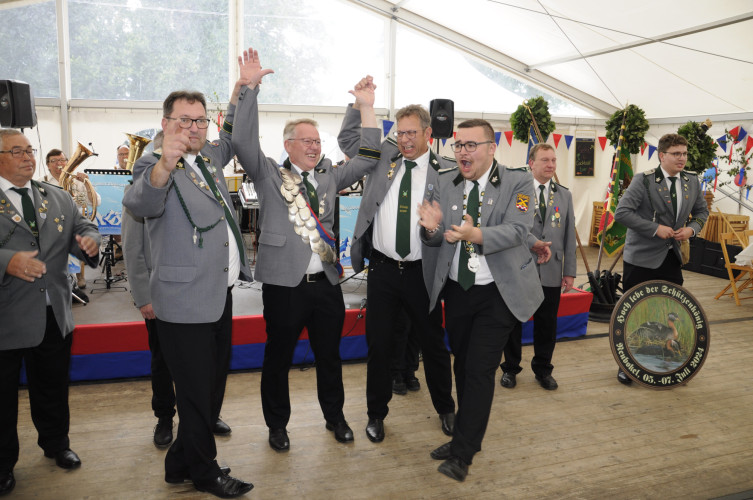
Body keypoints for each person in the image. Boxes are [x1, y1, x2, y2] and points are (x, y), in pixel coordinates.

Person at [231, 48, 381, 452]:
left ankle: (336, 418)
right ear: (288, 144)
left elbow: (368, 157)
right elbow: (242, 141)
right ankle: (277, 426)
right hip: (284, 284)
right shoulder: (267, 174)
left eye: (318, 141)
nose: (314, 147)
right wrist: (249, 88)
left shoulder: (330, 175)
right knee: (277, 357)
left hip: (327, 284)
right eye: (307, 141)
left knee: (329, 356)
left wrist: (366, 108)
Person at [122, 62, 254, 497]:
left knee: (210, 389)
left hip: (219, 293)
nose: (194, 128)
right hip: (182, 300)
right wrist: (165, 161)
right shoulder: (152, 163)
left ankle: (178, 462)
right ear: (166, 123)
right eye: (184, 120)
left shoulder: (207, 158)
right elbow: (140, 202)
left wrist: (242, 89)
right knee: (197, 394)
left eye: (199, 121)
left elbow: (232, 136)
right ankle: (204, 470)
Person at [418, 119, 545, 481]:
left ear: (492, 148)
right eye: (459, 145)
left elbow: (519, 229)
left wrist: (477, 233)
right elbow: (435, 237)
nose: (463, 152)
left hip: (499, 294)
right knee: (462, 365)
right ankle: (464, 435)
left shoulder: (518, 181)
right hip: (459, 291)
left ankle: (463, 453)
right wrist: (429, 230)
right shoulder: (444, 181)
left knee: (478, 371)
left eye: (472, 145)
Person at [338, 99, 456, 443]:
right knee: (379, 345)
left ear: (428, 133)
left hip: (424, 273)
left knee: (433, 345)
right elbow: (348, 141)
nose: (404, 140)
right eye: (400, 133)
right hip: (384, 271)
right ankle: (376, 414)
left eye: (411, 133)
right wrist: (359, 105)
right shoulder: (383, 159)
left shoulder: (446, 172)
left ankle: (446, 408)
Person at [0, 129, 100, 496]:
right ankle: (2, 464)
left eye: (30, 150)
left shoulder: (54, 196)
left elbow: (84, 225)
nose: (27, 157)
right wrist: (7, 262)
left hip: (52, 313)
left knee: (52, 388)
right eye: (16, 151)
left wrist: (90, 239)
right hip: (5, 316)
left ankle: (56, 445)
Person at [613, 133, 707, 385]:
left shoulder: (692, 181)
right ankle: (626, 365)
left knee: (672, 312)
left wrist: (692, 230)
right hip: (641, 258)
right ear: (661, 155)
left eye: (684, 153)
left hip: (671, 257)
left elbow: (701, 212)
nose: (682, 158)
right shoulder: (643, 181)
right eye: (676, 154)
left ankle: (669, 363)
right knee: (632, 313)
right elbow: (621, 213)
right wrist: (655, 229)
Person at [499, 143, 576, 391]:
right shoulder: (520, 192)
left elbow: (567, 237)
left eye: (553, 160)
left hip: (551, 271)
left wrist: (569, 272)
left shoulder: (564, 195)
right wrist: (533, 243)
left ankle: (543, 369)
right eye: (545, 160)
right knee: (514, 322)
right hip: (521, 268)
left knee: (547, 324)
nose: (551, 165)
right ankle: (510, 368)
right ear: (531, 163)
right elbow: (513, 227)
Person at [44, 148, 101, 289]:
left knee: (78, 242)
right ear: (48, 165)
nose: (59, 164)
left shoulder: (76, 181)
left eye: (62, 160)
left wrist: (87, 184)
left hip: (73, 222)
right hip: (52, 224)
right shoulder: (41, 182)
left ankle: (79, 274)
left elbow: (96, 201)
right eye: (54, 161)